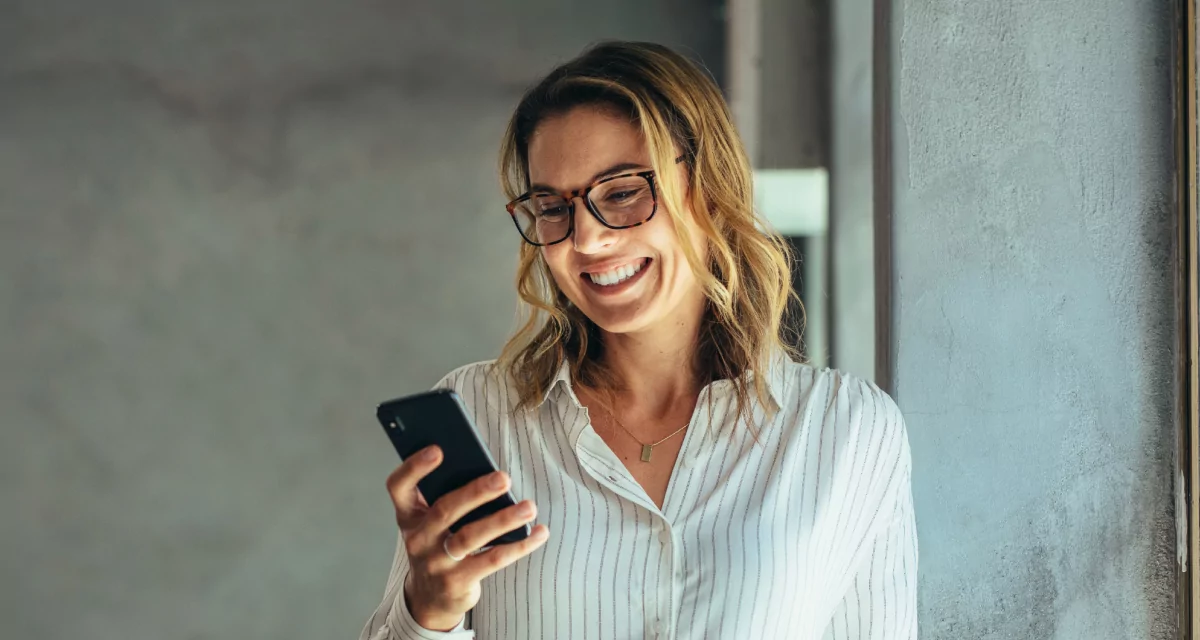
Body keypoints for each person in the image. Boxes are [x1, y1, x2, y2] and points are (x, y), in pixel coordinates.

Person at [360, 41, 917, 640]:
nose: (587, 241)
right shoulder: (481, 414)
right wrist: (428, 612)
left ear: (708, 184)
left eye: (622, 193)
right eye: (552, 207)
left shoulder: (848, 429)